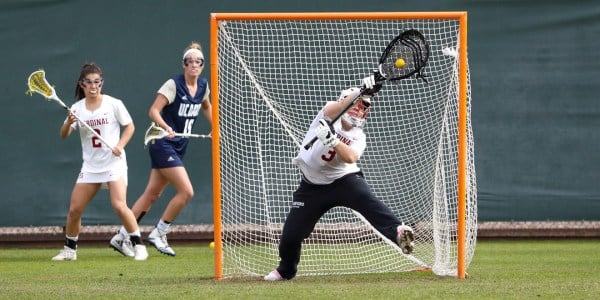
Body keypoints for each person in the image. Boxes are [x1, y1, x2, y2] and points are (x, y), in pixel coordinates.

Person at [263, 75, 415, 281]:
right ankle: (286, 270)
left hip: (344, 180)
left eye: (363, 108)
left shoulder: (359, 136)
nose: (358, 110)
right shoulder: (327, 114)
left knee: (369, 202)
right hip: (312, 186)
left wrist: (333, 141)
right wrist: (363, 90)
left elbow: (351, 157)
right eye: (356, 105)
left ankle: (398, 232)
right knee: (291, 236)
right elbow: (340, 105)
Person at [109, 42, 212, 257]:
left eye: (198, 62)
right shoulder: (173, 85)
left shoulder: (203, 86)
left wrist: (217, 128)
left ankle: (122, 236)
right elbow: (153, 111)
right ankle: (160, 232)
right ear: (184, 64)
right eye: (189, 61)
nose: (194, 65)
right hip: (162, 143)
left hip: (179, 145)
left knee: (152, 194)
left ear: (202, 65)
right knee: (187, 192)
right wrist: (166, 127)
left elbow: (207, 106)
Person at [52, 62, 148, 261]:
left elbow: (130, 127)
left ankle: (138, 245)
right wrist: (69, 123)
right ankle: (70, 250)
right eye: (89, 83)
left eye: (97, 82)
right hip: (91, 166)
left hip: (114, 163)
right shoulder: (77, 109)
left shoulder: (114, 103)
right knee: (75, 209)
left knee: (119, 206)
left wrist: (120, 146)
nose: (93, 86)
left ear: (101, 83)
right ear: (82, 84)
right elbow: (64, 135)